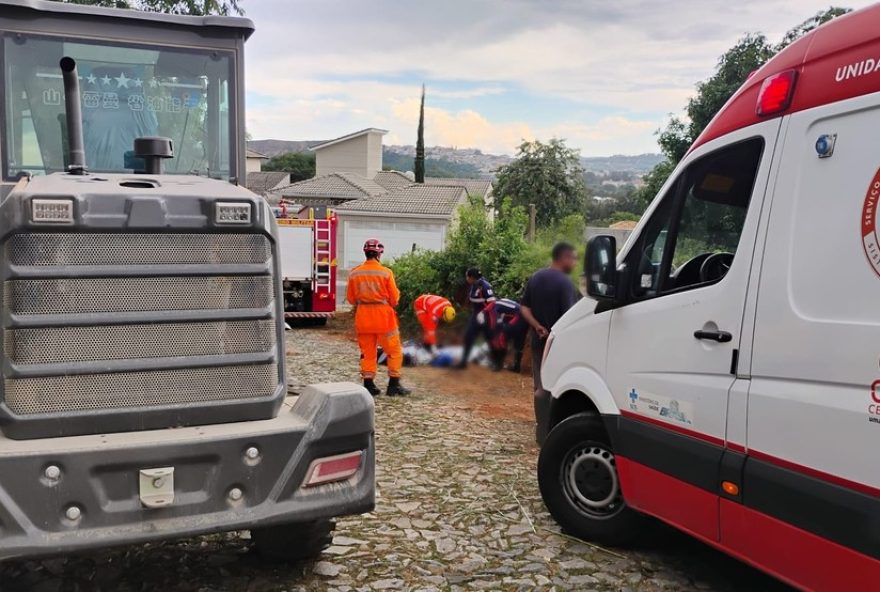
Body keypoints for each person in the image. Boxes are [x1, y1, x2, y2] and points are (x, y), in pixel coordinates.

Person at [346, 238, 411, 397]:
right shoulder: (386, 272)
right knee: (394, 351)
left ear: (365, 253)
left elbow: (351, 299)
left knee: (368, 353)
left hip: (363, 318)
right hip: (384, 319)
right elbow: (395, 299)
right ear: (378, 254)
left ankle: (369, 385)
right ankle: (393, 385)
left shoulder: (354, 273)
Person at [521, 242, 580, 391]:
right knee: (556, 388)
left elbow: (524, 308)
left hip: (538, 341)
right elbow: (570, 317)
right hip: (557, 347)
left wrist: (537, 326)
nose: (575, 263)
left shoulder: (535, 277)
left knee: (539, 387)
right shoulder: (565, 283)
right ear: (564, 258)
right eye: (573, 258)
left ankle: (540, 413)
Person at [457, 267, 496, 368]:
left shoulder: (485, 286)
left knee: (490, 339)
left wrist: (483, 312)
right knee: (468, 336)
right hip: (476, 315)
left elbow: (492, 303)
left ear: (471, 277)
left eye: (467, 276)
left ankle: (495, 361)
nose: (466, 278)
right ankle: (463, 361)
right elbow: (472, 300)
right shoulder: (473, 286)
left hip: (486, 316)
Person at [477, 298, 528, 372]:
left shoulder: (492, 308)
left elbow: (494, 324)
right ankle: (517, 367)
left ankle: (498, 364)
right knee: (519, 340)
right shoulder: (498, 302)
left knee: (501, 336)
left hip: (519, 316)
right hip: (525, 316)